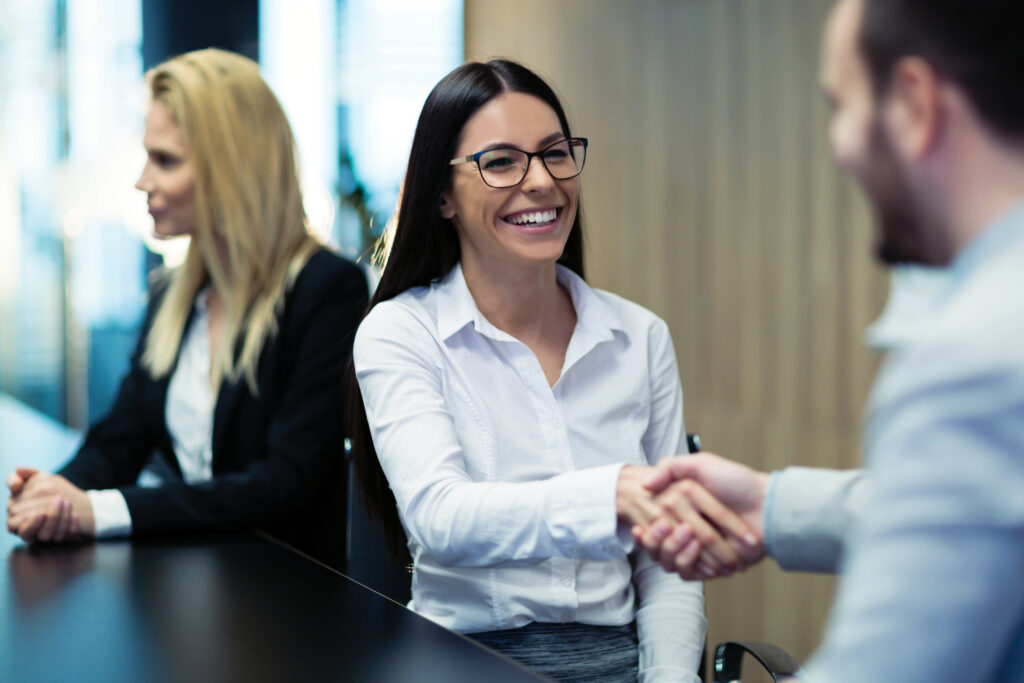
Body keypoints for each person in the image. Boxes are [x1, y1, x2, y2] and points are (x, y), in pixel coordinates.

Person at [635, 1, 1024, 681]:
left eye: (841, 106)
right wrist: (771, 502)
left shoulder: (969, 362)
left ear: (914, 103)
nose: (840, 147)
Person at [348, 59, 756, 682]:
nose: (541, 181)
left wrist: (671, 677)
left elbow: (666, 565)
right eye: (502, 161)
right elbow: (441, 518)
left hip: (618, 660)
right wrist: (609, 498)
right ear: (441, 194)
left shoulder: (639, 338)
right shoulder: (401, 333)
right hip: (461, 662)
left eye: (556, 154)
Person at [5, 49, 368, 568]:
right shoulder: (172, 294)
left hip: (291, 606)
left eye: (166, 160)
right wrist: (58, 494)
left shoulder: (327, 289)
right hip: (194, 586)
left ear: (234, 170)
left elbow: (285, 484)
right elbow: (121, 437)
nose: (142, 181)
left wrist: (101, 509)